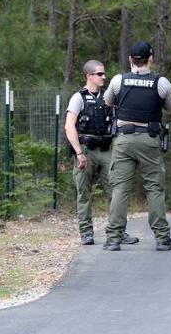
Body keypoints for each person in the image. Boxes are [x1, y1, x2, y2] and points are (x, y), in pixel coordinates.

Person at [102, 41, 171, 251]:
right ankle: (162, 239)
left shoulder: (119, 81)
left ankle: (113, 239)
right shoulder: (161, 83)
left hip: (123, 141)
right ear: (150, 58)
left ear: (130, 59)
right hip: (149, 139)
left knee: (120, 189)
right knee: (154, 188)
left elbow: (108, 102)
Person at [64, 60, 138, 246]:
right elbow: (69, 126)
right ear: (89, 76)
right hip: (86, 150)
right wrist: (79, 153)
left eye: (104, 74)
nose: (104, 77)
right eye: (100, 74)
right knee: (84, 193)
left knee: (116, 190)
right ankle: (86, 233)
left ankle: (118, 231)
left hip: (106, 149)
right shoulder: (78, 97)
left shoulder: (108, 98)